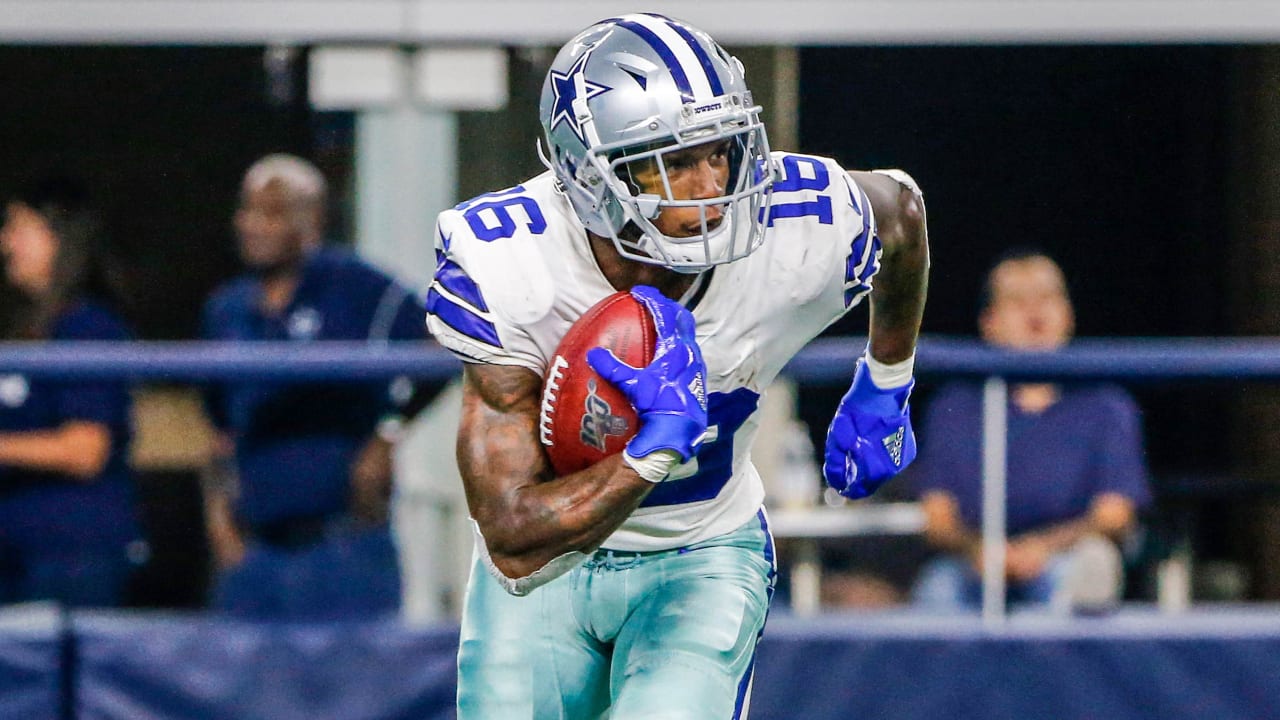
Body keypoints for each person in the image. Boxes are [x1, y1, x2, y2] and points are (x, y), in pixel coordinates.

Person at [426, 14, 929, 718]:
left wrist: (887, 380)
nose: (709, 185)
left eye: (719, 150)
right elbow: (512, 536)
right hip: (545, 579)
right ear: (588, 173)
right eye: (668, 161)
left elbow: (902, 216)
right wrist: (650, 451)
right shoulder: (512, 265)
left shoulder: (795, 226)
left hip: (703, 554)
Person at [200, 153, 430, 620]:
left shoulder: (352, 284)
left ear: (312, 220)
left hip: (343, 546)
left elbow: (443, 342)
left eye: (273, 211)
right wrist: (218, 519)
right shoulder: (226, 309)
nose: (253, 224)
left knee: (359, 687)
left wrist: (388, 431)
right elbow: (219, 429)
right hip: (257, 549)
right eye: (248, 209)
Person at [910, 249, 1153, 612]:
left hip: (1062, 559)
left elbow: (1114, 516)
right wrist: (982, 552)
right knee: (937, 592)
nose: (1035, 313)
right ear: (989, 322)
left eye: (1047, 298)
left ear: (1068, 314)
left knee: (1087, 572)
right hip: (974, 566)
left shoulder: (1106, 404)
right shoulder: (955, 407)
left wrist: (1039, 550)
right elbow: (937, 519)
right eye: (1018, 301)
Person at [0, 176, 142, 607]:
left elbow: (86, 449)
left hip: (73, 555)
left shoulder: (89, 327)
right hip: (18, 553)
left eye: (18, 228)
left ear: (59, 237)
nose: (6, 242)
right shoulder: (28, 330)